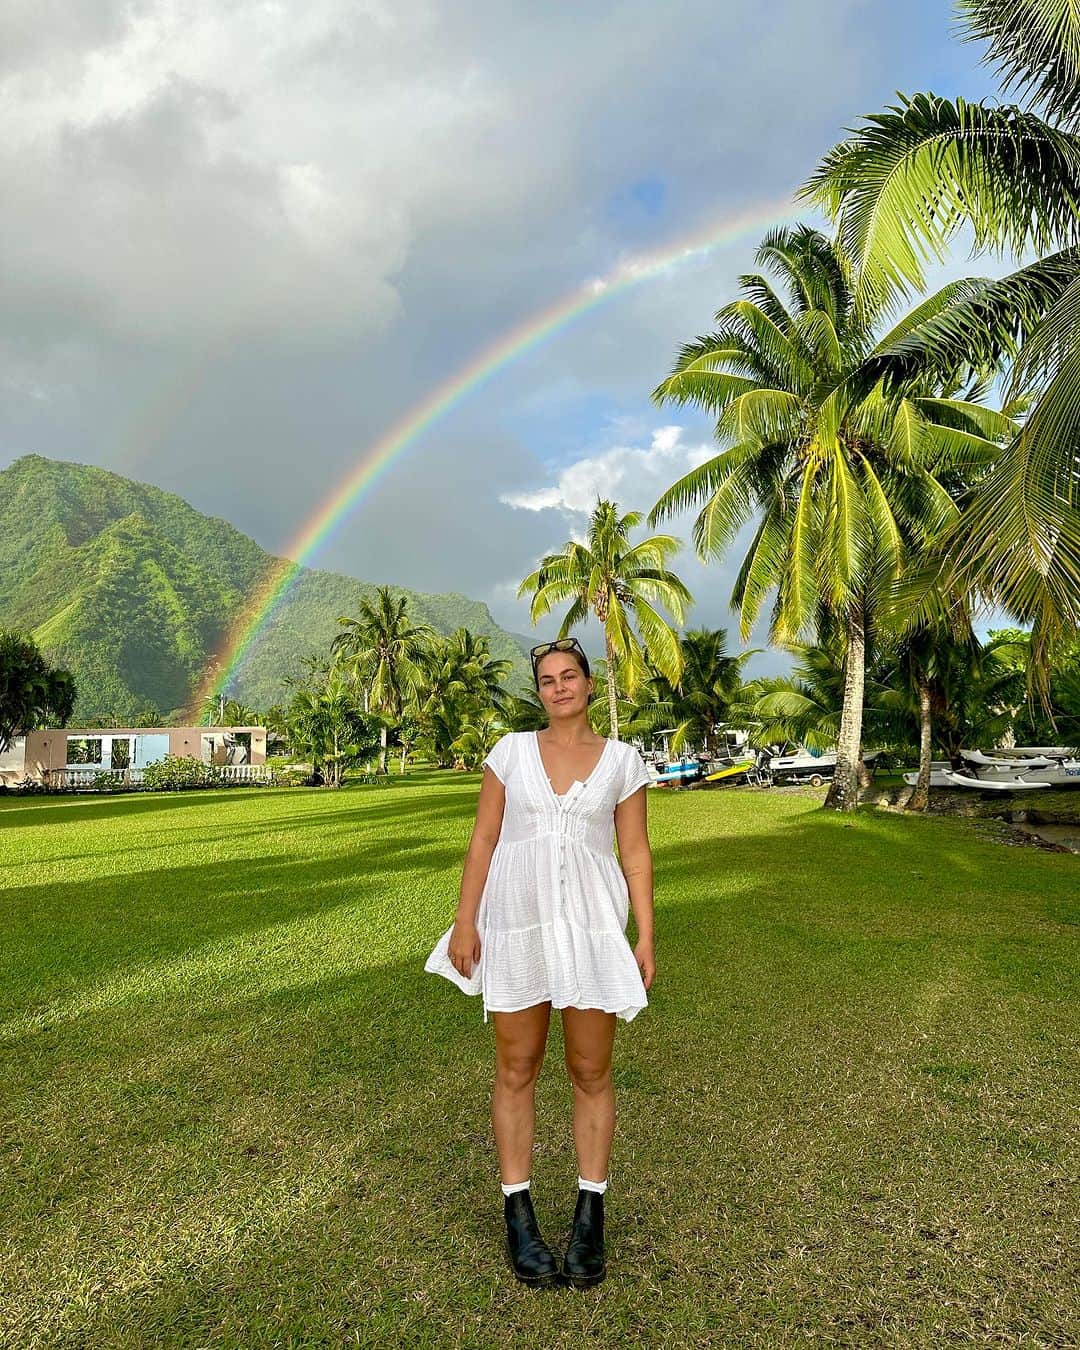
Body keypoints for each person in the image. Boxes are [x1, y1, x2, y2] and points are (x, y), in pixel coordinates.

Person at [424, 636, 655, 1289]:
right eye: (547, 679)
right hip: (516, 927)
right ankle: (518, 1213)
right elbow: (485, 838)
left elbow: (634, 853)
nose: (559, 687)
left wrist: (645, 937)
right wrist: (465, 921)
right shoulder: (510, 754)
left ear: (588, 682)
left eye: (569, 676)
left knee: (590, 1068)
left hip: (590, 931)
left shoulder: (622, 762)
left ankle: (591, 1214)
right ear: (540, 691)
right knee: (517, 1066)